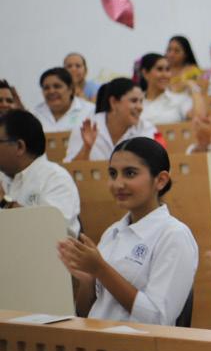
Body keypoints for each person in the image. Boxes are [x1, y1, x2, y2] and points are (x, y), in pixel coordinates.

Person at [58, 137, 197, 325]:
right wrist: (88, 281)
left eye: (130, 173)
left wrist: (101, 270)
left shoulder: (174, 235)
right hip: (98, 338)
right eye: (113, 174)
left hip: (138, 342)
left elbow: (158, 319)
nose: (118, 184)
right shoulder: (112, 232)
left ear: (160, 180)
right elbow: (86, 314)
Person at [0, 109, 80, 235]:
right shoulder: (4, 176)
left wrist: (4, 201)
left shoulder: (55, 178)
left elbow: (52, 233)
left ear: (20, 147)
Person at [65, 79, 157, 162]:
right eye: (134, 101)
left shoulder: (146, 129)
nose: (140, 107)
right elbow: (71, 170)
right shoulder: (86, 128)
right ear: (113, 102)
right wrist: (86, 148)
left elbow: (155, 166)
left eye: (141, 101)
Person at [138, 53, 197, 125]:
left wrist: (193, 86)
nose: (165, 75)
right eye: (159, 69)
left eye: (168, 70)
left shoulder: (180, 99)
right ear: (145, 73)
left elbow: (197, 118)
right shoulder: (136, 102)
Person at [32, 67, 91, 133]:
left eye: (57, 86)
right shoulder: (35, 115)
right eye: (46, 88)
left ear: (70, 89)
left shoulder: (89, 111)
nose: (51, 91)